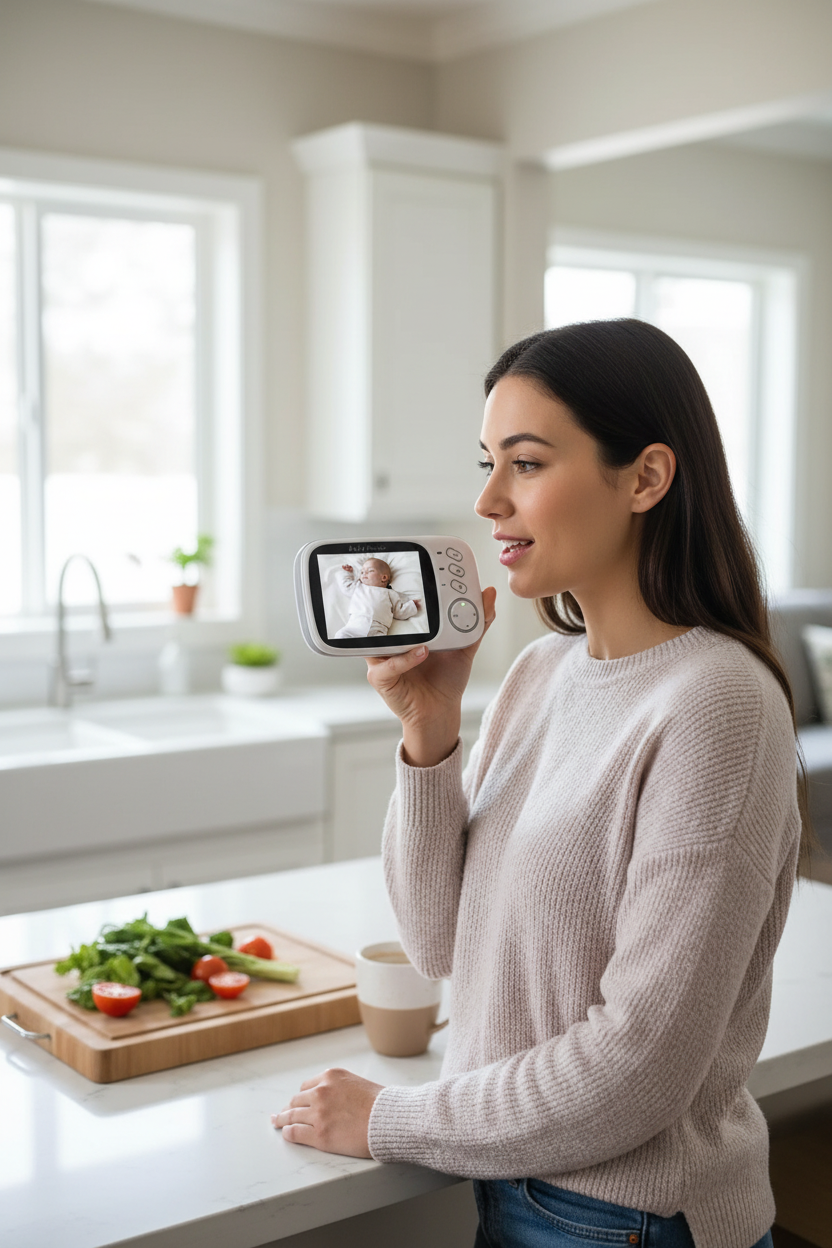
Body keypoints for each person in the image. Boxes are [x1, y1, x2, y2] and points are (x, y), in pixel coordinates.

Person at [272, 320, 808, 1248]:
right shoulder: (542, 674)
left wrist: (390, 1119)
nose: (487, 501)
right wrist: (429, 736)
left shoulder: (717, 705)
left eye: (524, 463)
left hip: (628, 1219)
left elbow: (637, 1068)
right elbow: (439, 941)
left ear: (644, 478)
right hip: (521, 1190)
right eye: (488, 462)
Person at [332, 558, 421, 639]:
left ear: (384, 578)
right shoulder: (358, 587)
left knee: (382, 647)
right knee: (341, 635)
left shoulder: (391, 593)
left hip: (378, 628)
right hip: (354, 626)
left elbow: (399, 612)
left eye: (370, 570)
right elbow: (345, 585)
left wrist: (412, 606)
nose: (364, 573)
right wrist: (347, 573)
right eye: (362, 572)